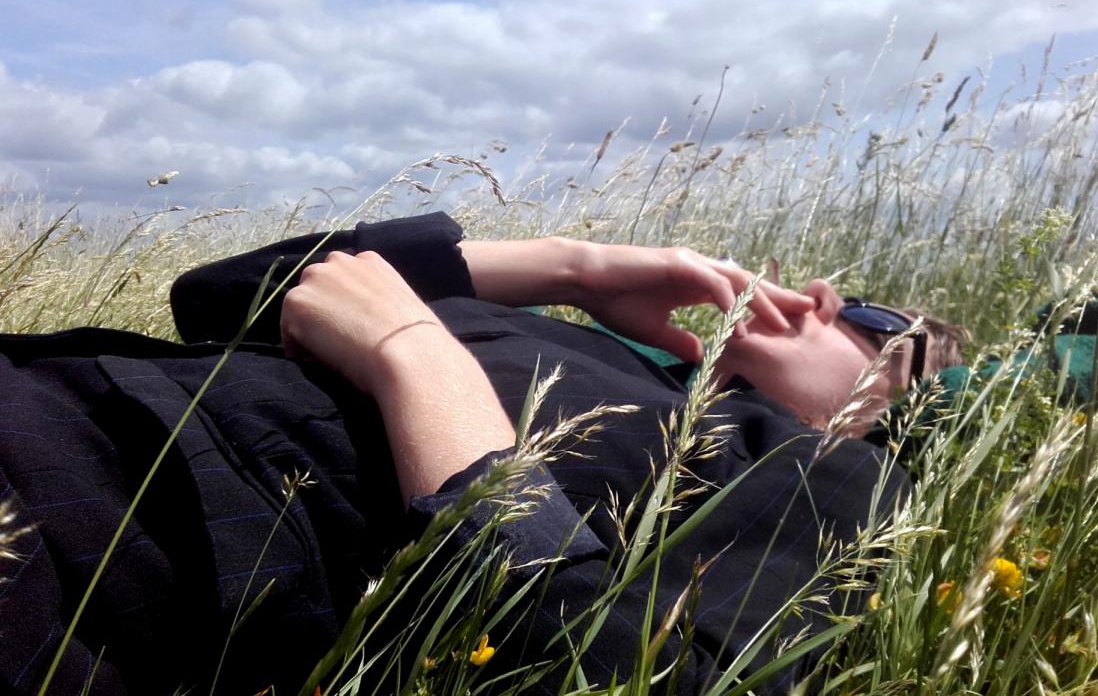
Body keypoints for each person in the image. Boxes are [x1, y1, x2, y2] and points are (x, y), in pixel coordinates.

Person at [0, 212, 964, 696]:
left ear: (896, 412)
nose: (823, 293)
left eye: (871, 321)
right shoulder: (592, 352)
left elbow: (612, 669)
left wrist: (413, 360)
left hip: (94, 534)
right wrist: (573, 269)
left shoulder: (830, 475)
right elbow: (223, 297)